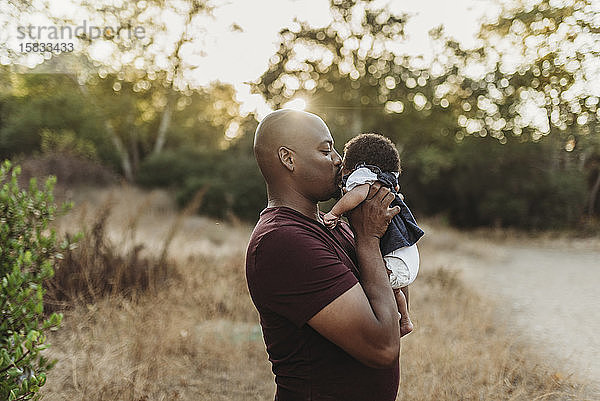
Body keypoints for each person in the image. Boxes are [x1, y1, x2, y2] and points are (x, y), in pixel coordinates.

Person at [246, 109, 403, 401]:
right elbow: (382, 348)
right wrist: (368, 239)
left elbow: (389, 314)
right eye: (326, 150)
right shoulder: (282, 242)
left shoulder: (334, 226)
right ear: (288, 159)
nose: (338, 161)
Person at [323, 133, 424, 337]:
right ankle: (404, 320)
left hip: (396, 259)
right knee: (393, 288)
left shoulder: (364, 179)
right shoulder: (387, 181)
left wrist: (334, 213)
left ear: (358, 166)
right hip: (406, 255)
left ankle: (402, 320)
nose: (338, 162)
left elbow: (357, 195)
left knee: (380, 286)